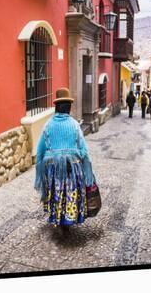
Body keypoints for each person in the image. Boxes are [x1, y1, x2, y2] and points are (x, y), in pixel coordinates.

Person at [34, 87, 96, 227]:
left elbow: (40, 151)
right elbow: (84, 151)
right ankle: (69, 217)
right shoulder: (74, 125)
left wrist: (40, 174)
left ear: (56, 107)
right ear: (69, 107)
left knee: (56, 192)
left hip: (52, 169)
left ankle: (57, 218)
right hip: (72, 168)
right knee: (70, 192)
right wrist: (88, 172)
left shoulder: (48, 126)